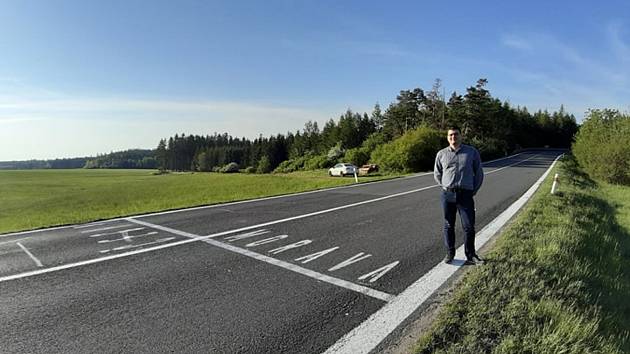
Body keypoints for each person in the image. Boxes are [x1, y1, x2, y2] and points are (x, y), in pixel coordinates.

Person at [434, 126, 484, 264]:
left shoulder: (471, 152)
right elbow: (437, 173)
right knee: (448, 225)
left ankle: (471, 254)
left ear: (461, 136)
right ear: (447, 137)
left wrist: (474, 189)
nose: (453, 137)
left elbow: (479, 173)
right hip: (448, 195)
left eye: (456, 134)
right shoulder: (441, 154)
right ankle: (450, 253)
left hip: (465, 195)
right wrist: (445, 185)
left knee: (469, 226)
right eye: (450, 135)